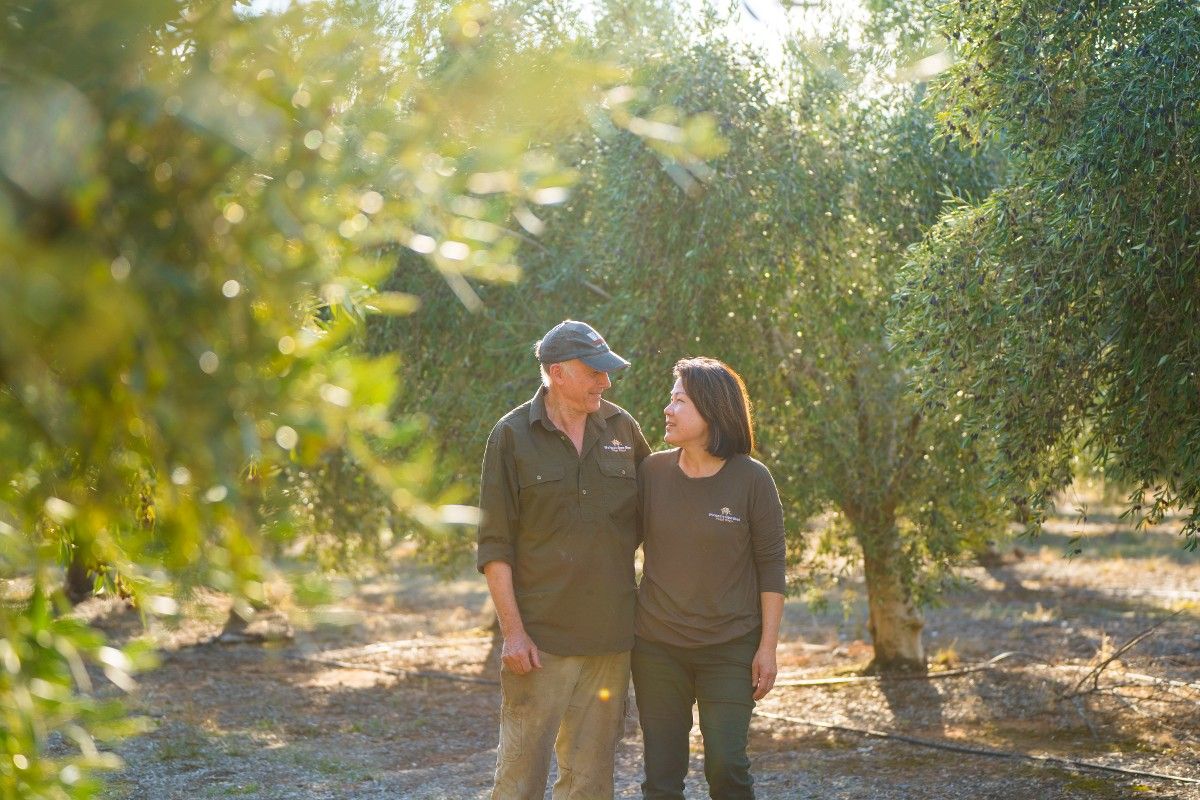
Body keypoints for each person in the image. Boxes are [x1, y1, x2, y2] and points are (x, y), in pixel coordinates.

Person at [477, 319, 651, 800]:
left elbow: (657, 518)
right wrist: (513, 632)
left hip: (610, 643)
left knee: (592, 783)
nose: (606, 382)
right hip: (539, 645)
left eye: (607, 371)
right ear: (557, 372)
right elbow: (494, 546)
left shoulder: (623, 428)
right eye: (594, 371)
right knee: (519, 782)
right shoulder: (510, 436)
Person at [632, 357, 786, 800]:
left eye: (679, 400)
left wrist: (767, 648)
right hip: (657, 647)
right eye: (670, 398)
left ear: (712, 410)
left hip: (730, 648)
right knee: (661, 776)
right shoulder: (652, 473)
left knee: (727, 768)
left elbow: (772, 566)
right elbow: (618, 543)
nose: (667, 409)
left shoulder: (753, 480)